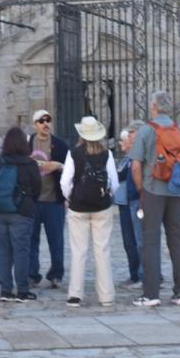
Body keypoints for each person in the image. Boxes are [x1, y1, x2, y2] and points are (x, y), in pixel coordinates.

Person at [129, 91, 180, 307]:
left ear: (154, 107)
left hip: (152, 190)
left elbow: (136, 164)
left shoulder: (146, 130)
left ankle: (151, 294)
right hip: (175, 193)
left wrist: (141, 189)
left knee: (151, 241)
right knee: (178, 241)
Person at [61, 117, 119, 308]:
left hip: (78, 207)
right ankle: (106, 295)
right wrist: (107, 195)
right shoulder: (106, 154)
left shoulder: (74, 153)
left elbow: (65, 180)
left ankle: (75, 294)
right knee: (102, 251)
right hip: (102, 207)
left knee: (78, 251)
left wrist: (69, 197)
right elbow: (114, 181)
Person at [0, 127, 43, 302]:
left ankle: (5, 290)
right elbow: (37, 189)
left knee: (3, 252)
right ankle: (22, 289)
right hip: (21, 211)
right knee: (21, 251)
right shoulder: (30, 164)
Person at [27, 109, 70, 289]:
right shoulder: (28, 143)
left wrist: (59, 166)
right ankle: (32, 273)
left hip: (54, 199)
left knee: (56, 240)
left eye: (48, 120)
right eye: (41, 121)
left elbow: (70, 168)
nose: (46, 124)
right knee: (31, 239)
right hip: (33, 199)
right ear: (35, 124)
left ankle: (56, 274)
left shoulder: (60, 145)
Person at [114, 124, 143, 289]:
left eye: (123, 140)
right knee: (129, 241)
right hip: (123, 203)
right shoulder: (125, 159)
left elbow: (119, 175)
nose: (120, 143)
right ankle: (134, 273)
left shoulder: (133, 159)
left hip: (132, 200)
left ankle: (141, 274)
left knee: (137, 240)